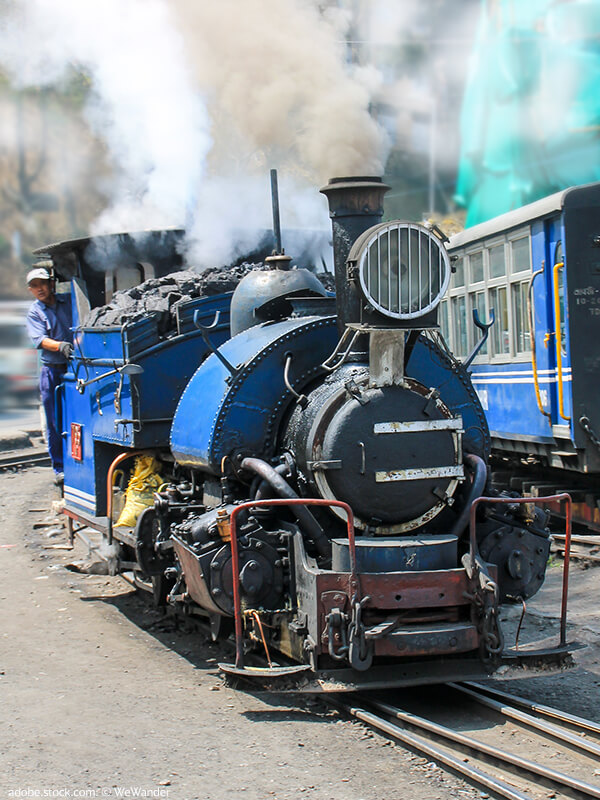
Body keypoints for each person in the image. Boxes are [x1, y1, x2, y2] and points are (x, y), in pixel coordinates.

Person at [25, 263, 73, 485]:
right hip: (52, 371)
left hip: (75, 367)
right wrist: (60, 346)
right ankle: (60, 468)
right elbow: (40, 340)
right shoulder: (35, 312)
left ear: (51, 284)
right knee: (55, 421)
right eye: (35, 286)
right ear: (31, 290)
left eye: (42, 283)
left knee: (75, 420)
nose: (40, 289)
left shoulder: (68, 300)